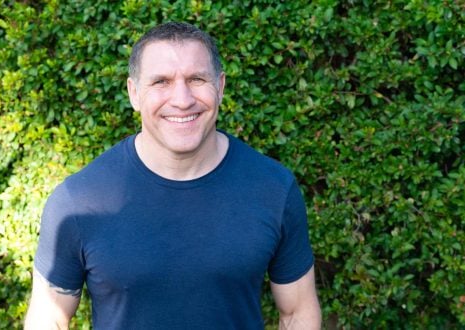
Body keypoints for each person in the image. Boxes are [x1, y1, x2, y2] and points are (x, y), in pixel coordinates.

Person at [25, 22, 321, 329]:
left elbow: (298, 311)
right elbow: (49, 317)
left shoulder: (273, 189)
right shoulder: (78, 201)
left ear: (220, 87)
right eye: (161, 82)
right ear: (134, 93)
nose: (182, 99)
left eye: (196, 79)